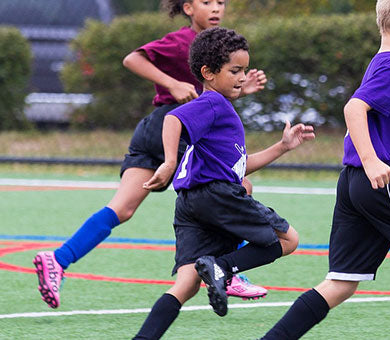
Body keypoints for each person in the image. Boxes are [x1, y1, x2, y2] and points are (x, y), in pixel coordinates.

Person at [32, 0, 270, 309]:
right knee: (238, 187)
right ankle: (228, 273)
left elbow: (208, 98)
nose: (216, 8)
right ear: (187, 8)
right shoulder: (183, 41)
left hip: (154, 129)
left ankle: (58, 259)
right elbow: (133, 59)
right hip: (171, 128)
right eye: (206, 2)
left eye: (221, 2)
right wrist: (171, 83)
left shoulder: (214, 49)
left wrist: (240, 88)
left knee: (122, 208)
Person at [260, 1, 390, 339]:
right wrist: (374, 161)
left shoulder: (382, 63)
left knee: (340, 285)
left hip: (354, 184)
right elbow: (354, 109)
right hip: (383, 181)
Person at [132, 26, 314, 339]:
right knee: (289, 240)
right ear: (208, 73)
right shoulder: (213, 104)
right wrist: (169, 162)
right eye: (235, 71)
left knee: (186, 285)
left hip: (191, 204)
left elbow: (240, 166)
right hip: (217, 196)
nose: (243, 78)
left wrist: (282, 147)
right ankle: (223, 268)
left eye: (244, 70)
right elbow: (173, 118)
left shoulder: (220, 110)